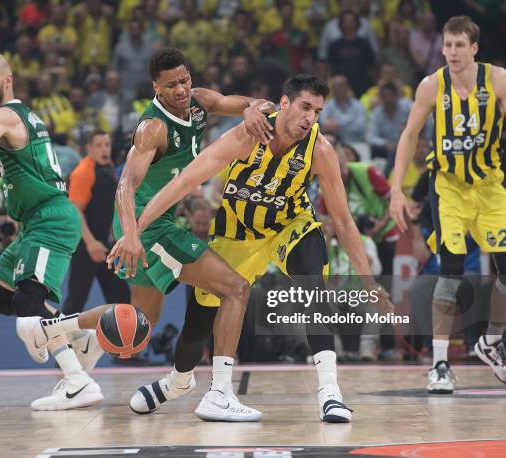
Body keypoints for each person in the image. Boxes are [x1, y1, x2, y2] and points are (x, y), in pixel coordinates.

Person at [110, 74, 393, 423]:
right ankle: (178, 381)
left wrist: (368, 281)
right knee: (197, 325)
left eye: (318, 111)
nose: (310, 118)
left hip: (289, 226)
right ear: (285, 104)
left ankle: (330, 393)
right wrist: (133, 230)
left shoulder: (320, 150)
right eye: (305, 107)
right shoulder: (247, 135)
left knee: (312, 285)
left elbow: (345, 222)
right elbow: (185, 182)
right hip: (237, 234)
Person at [18, 47, 275, 422]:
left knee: (137, 325)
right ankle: (220, 392)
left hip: (152, 221)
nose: (182, 90)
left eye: (185, 80)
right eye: (172, 85)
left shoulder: (200, 102)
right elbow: (126, 183)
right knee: (235, 288)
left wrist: (254, 108)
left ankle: (53, 335)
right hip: (143, 224)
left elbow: (251, 102)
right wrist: (133, 235)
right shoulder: (152, 127)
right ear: (156, 86)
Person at [0, 53, 103, 411]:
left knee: (29, 302)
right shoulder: (24, 115)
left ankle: (78, 382)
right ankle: (79, 335)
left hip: (50, 219)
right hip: (34, 222)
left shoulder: (3, 115)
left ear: (7, 80)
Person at [390, 16, 506, 393]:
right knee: (450, 272)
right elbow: (409, 137)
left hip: (489, 185)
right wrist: (395, 190)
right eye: (448, 45)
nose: (452, 52)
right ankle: (440, 363)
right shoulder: (430, 86)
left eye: (460, 45)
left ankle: (491, 341)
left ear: (474, 48)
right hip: (449, 188)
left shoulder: (499, 80)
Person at [62, 130, 130, 318]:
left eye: (107, 145)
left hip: (103, 245)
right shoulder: (83, 171)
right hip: (85, 245)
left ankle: (121, 344)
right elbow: (75, 211)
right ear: (89, 148)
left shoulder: (108, 167)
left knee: (121, 295)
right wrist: (90, 243)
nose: (104, 149)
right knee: (75, 301)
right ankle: (59, 342)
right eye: (98, 145)